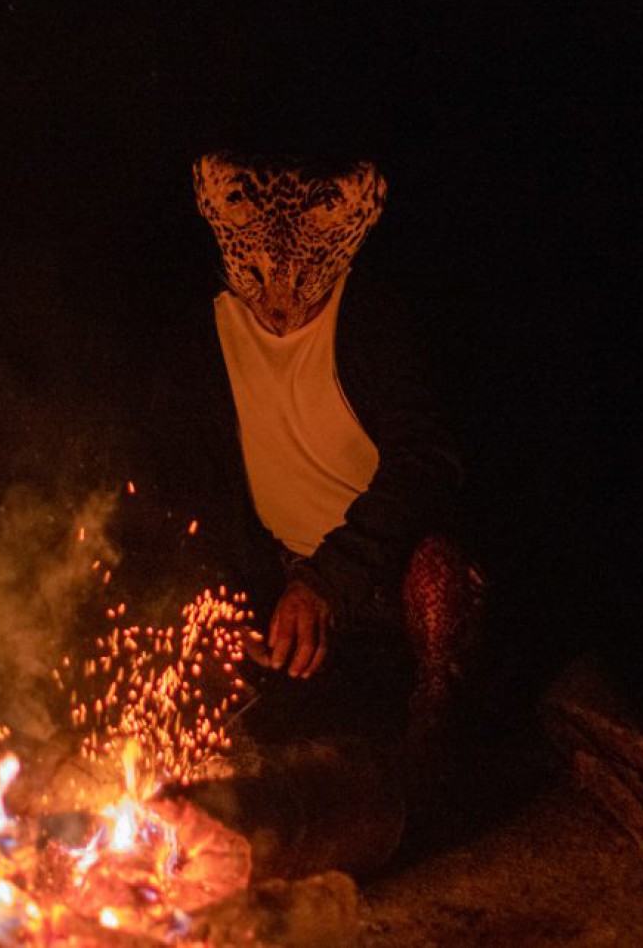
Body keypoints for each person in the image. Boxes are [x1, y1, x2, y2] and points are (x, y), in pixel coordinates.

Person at [146, 149, 485, 877]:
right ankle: (227, 788)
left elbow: (430, 461)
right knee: (193, 619)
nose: (279, 300)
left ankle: (435, 768)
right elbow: (195, 486)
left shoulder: (369, 318)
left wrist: (331, 579)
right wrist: (236, 596)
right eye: (258, 272)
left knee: (441, 578)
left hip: (380, 568)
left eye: (300, 276)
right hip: (290, 573)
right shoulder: (202, 331)